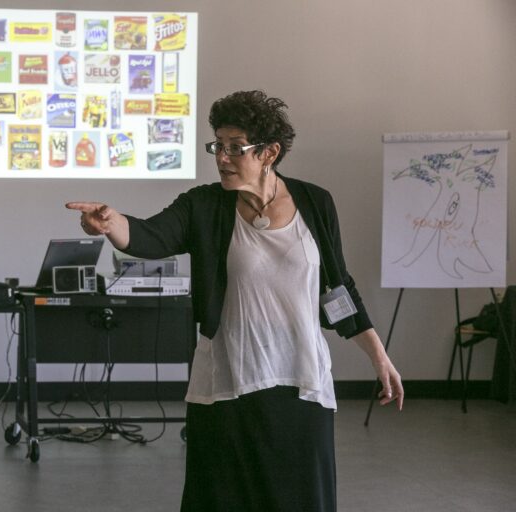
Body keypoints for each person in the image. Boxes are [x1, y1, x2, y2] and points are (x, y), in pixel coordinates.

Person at [67, 90, 403, 511]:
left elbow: (338, 290)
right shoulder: (204, 205)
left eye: (234, 148)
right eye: (217, 146)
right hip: (228, 384)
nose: (222, 157)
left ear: (269, 152)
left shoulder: (315, 203)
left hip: (301, 382)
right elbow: (151, 236)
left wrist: (379, 357)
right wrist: (112, 223)